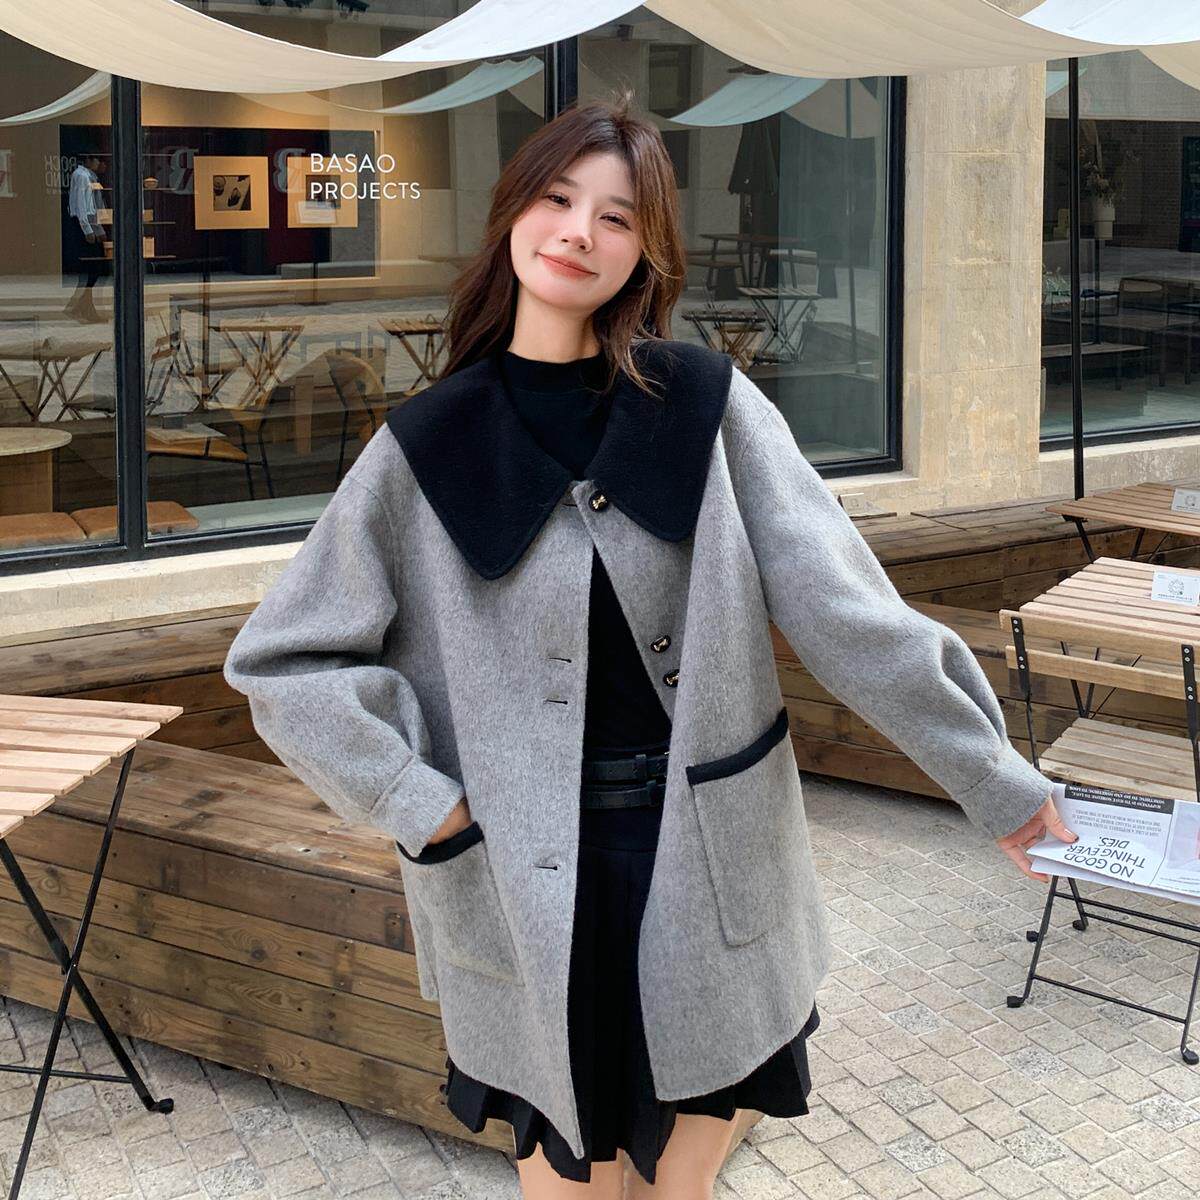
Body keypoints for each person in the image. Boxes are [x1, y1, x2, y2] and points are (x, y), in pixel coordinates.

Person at [222, 90, 1075, 1200]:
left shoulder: (707, 409)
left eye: (617, 216)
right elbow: (282, 664)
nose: (580, 231)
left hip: (706, 862)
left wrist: (996, 781)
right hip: (515, 877)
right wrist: (422, 805)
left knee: (681, 1188)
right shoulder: (426, 447)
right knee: (566, 1185)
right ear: (513, 213)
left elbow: (850, 615)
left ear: (647, 251)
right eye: (558, 198)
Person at [64, 151, 107, 322]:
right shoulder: (81, 176)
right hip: (84, 225)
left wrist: (99, 229)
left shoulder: (91, 176)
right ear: (88, 159)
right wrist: (88, 229)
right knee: (92, 269)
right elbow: (82, 205)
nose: (99, 163)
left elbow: (95, 206)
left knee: (96, 269)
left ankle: (79, 307)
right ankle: (80, 308)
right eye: (96, 159)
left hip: (91, 223)